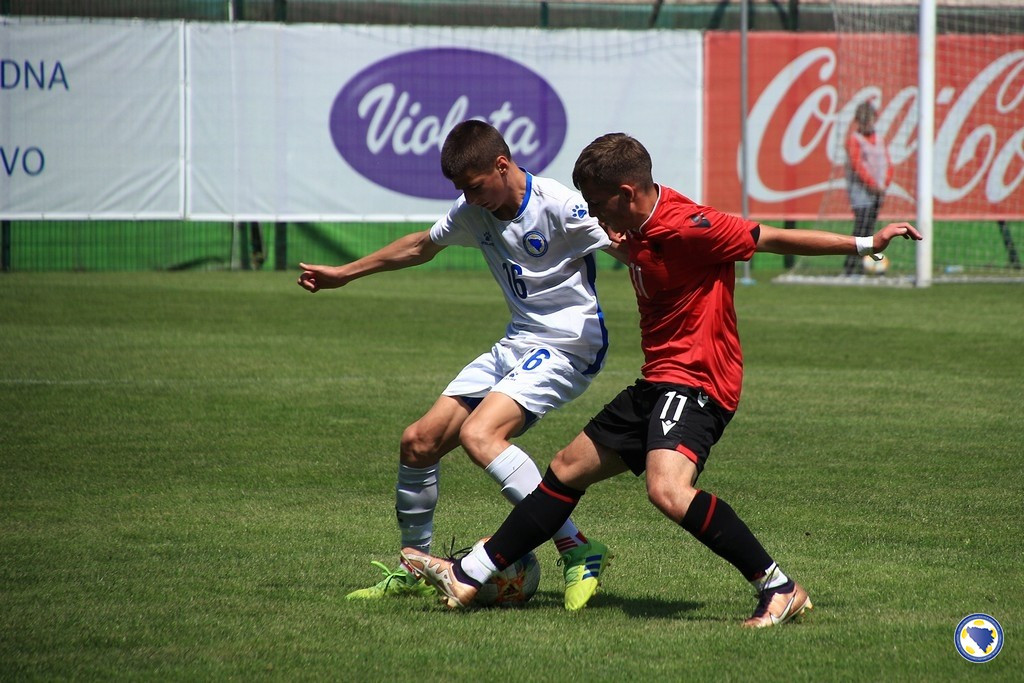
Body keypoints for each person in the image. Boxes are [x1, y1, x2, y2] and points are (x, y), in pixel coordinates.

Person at [402, 133, 922, 627]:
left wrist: (864, 242)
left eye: (597, 202)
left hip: (699, 380)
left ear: (626, 194)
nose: (592, 215)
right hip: (659, 380)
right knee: (565, 469)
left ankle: (779, 587)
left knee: (668, 490)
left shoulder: (690, 224)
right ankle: (468, 578)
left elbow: (770, 237)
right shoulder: (632, 225)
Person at [297, 120, 614, 611]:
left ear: (501, 166)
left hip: (570, 344)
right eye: (461, 190)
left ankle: (577, 548)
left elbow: (629, 246)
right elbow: (422, 245)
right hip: (518, 342)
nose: (467, 198)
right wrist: (345, 272)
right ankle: (414, 568)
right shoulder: (473, 209)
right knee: (419, 441)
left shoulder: (559, 204)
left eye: (473, 186)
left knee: (480, 436)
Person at [843, 101, 893, 275]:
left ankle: (865, 263)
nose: (868, 124)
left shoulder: (879, 139)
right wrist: (872, 185)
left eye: (870, 120)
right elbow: (858, 166)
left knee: (870, 229)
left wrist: (884, 184)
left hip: (878, 190)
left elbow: (887, 163)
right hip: (861, 192)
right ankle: (850, 265)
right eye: (864, 120)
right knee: (861, 228)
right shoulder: (854, 140)